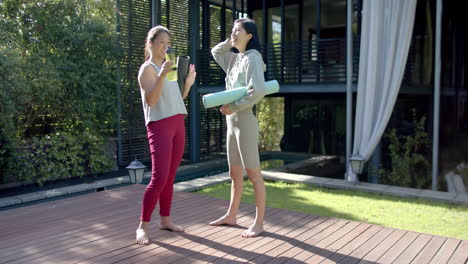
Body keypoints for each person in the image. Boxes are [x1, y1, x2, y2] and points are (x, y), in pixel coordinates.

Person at [136, 25, 196, 245]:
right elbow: (151, 100)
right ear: (150, 43)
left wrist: (187, 84)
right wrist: (161, 74)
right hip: (159, 124)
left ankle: (166, 220)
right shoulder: (147, 69)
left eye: (167, 43)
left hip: (177, 121)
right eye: (161, 42)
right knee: (159, 177)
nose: (165, 47)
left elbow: (175, 96)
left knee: (170, 177)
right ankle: (142, 226)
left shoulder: (167, 68)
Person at [209, 18, 267, 238]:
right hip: (231, 124)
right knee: (234, 174)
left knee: (253, 174)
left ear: (249, 35)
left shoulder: (253, 58)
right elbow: (215, 51)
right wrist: (230, 39)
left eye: (237, 31)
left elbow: (257, 91)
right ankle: (231, 215)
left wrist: (233, 106)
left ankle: (259, 223)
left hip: (245, 122)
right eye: (232, 30)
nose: (233, 34)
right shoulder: (233, 57)